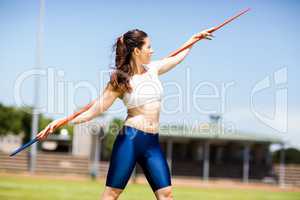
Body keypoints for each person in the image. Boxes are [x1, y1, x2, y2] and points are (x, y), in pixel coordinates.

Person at [37, 28, 213, 200]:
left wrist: (194, 39)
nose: (153, 50)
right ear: (137, 51)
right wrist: (62, 122)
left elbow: (176, 58)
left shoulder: (153, 69)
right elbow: (94, 110)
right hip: (131, 140)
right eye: (148, 47)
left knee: (166, 195)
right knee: (112, 194)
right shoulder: (120, 81)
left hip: (152, 143)